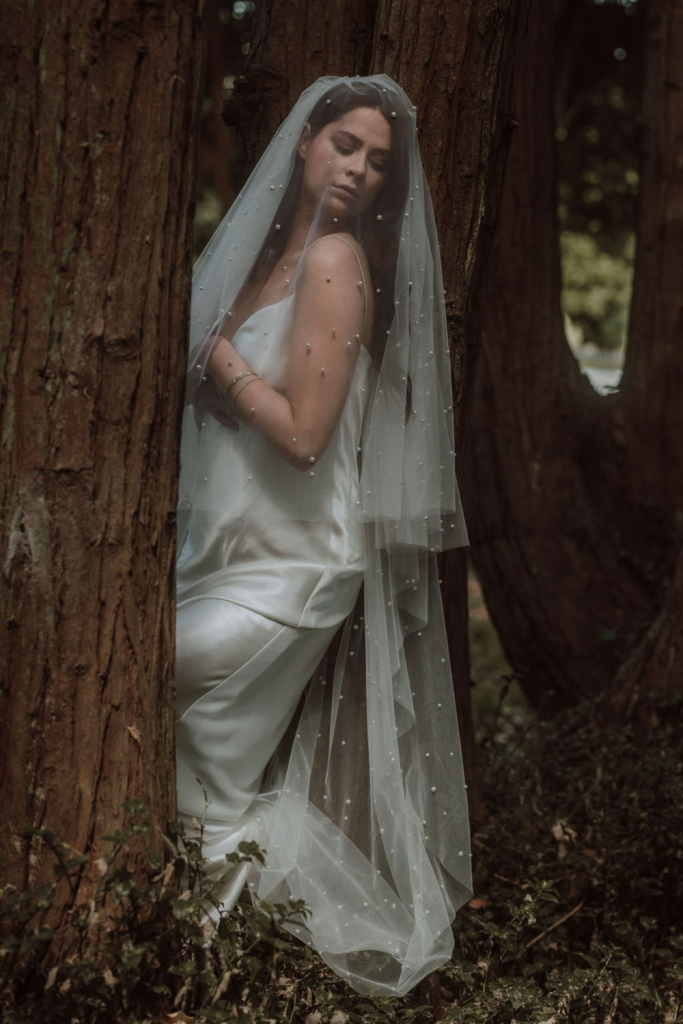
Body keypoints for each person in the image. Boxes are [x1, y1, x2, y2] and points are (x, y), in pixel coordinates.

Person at [175, 74, 472, 999]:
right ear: (305, 144)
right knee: (205, 786)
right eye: (343, 144)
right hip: (226, 554)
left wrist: (213, 353)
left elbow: (304, 435)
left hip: (293, 567)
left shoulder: (335, 262)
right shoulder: (258, 264)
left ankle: (287, 938)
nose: (355, 169)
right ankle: (214, 959)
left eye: (378, 162)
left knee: (161, 680)